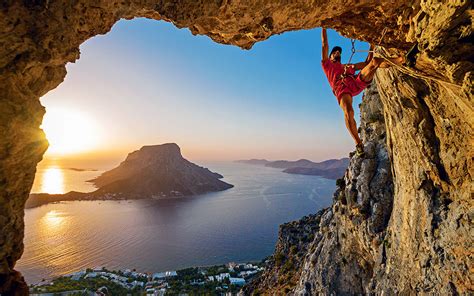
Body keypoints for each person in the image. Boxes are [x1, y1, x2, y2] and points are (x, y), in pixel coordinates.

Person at [321, 28, 404, 157]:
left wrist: (372, 44)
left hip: (354, 83)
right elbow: (324, 44)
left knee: (374, 62)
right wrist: (323, 26)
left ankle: (401, 60)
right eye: (335, 52)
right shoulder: (326, 64)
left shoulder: (347, 67)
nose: (337, 53)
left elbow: (366, 63)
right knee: (348, 112)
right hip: (341, 89)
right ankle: (358, 143)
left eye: (339, 52)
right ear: (331, 55)